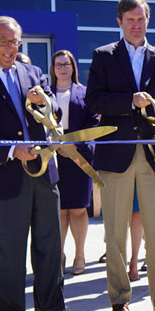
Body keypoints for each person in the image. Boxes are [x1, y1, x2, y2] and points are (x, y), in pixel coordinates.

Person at [0, 16, 83, 311]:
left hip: (45, 174)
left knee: (50, 245)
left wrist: (47, 101)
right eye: (4, 41)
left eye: (16, 42)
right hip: (6, 177)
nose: (10, 48)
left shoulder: (33, 72)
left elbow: (53, 112)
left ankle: (51, 309)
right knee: (11, 251)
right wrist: (13, 150)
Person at [87, 0, 155, 311]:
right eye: (130, 19)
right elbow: (94, 100)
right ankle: (119, 300)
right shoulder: (103, 56)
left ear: (148, 20)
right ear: (119, 22)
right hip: (115, 154)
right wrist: (129, 100)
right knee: (114, 231)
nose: (136, 24)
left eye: (141, 18)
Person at [48, 50, 98, 277]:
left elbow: (93, 123)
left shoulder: (85, 93)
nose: (63, 68)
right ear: (53, 68)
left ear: (73, 67)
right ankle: (58, 255)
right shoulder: (45, 93)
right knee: (58, 210)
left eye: (67, 64)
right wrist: (55, 146)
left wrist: (76, 145)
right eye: (59, 65)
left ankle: (79, 255)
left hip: (78, 155)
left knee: (78, 209)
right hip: (54, 155)